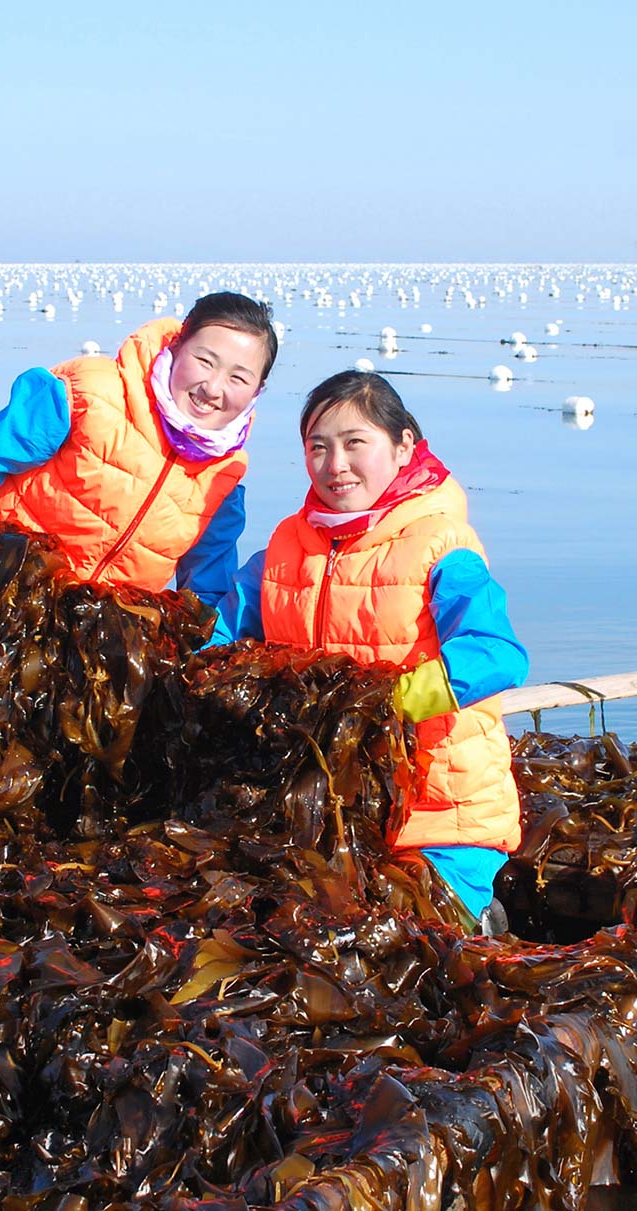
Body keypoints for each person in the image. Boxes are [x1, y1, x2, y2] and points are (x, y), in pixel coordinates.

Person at [209, 369, 528, 926]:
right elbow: (220, 633)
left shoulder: (441, 543)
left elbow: (497, 652)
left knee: (412, 944)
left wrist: (381, 704)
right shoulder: (286, 547)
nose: (336, 466)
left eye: (356, 443)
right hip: (322, 804)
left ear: (403, 445)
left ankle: (483, 917)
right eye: (318, 448)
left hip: (440, 808)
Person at [0, 292, 278, 605]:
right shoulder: (87, 395)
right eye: (205, 360)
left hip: (93, 649)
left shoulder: (223, 480)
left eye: (238, 378)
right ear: (176, 347)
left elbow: (205, 593)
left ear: (257, 390)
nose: (213, 387)